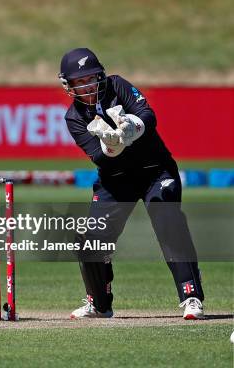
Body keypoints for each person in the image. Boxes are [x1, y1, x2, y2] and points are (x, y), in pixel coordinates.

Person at [59, 48, 205, 320]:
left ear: (100, 75)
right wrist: (112, 144)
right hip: (116, 182)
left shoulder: (118, 86)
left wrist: (131, 128)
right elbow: (99, 158)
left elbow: (148, 115)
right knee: (90, 240)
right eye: (79, 82)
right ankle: (99, 304)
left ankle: (191, 296)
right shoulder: (74, 117)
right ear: (69, 86)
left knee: (167, 219)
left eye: (90, 78)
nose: (87, 86)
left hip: (155, 171)